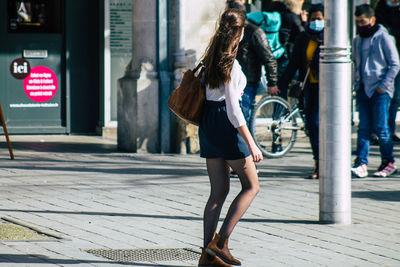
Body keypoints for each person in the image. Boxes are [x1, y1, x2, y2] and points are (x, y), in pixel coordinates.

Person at [197, 8, 262, 267]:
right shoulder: (231, 65)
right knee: (252, 186)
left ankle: (207, 254)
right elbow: (234, 109)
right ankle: (221, 243)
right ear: (241, 31)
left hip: (208, 124)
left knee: (218, 192)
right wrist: (251, 142)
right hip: (225, 123)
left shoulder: (210, 58)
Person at [351, 4, 400, 178]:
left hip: (380, 90)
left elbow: (395, 64)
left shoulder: (384, 38)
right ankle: (361, 163)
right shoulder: (357, 39)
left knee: (381, 128)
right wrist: (356, 84)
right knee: (363, 128)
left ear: (372, 19)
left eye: (363, 21)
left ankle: (389, 162)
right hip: (363, 88)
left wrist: (384, 85)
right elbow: (356, 64)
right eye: (357, 22)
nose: (360, 25)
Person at [277, 4, 324, 179]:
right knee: (313, 125)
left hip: (330, 90)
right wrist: (280, 84)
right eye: (313, 19)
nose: (316, 22)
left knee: (325, 127)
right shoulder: (304, 38)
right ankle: (319, 163)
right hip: (310, 88)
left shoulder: (331, 37)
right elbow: (294, 63)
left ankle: (330, 163)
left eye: (320, 19)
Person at [228, 1, 279, 127]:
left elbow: (269, 58)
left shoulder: (255, 32)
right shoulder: (227, 32)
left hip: (247, 83)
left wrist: (272, 83)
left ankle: (249, 145)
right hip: (229, 82)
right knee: (239, 119)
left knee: (243, 118)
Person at [375, 0, 400, 142]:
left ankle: (389, 130)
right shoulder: (382, 9)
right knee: (379, 98)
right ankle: (378, 131)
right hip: (383, 61)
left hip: (397, 60)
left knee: (395, 98)